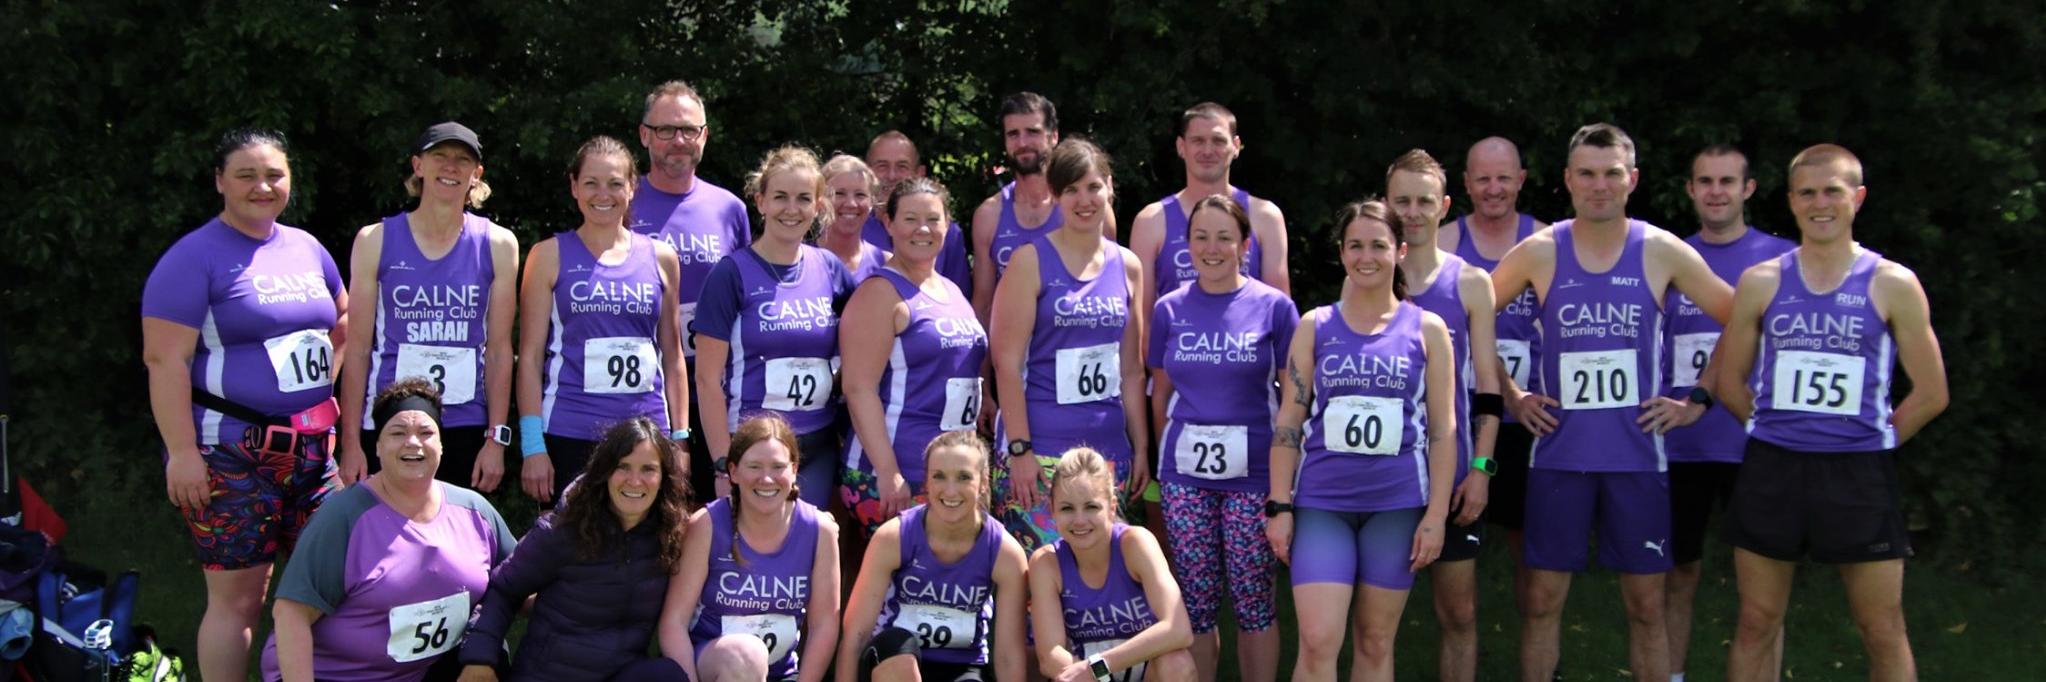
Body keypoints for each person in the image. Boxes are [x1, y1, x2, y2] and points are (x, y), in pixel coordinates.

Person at [1488, 123, 1735, 682]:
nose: (1600, 186)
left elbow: (1740, 317)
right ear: (1569, 180)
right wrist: (1512, 393)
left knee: (1647, 607)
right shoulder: (1542, 251)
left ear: (1632, 180)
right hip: (1557, 458)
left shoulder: (1659, 249)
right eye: (1588, 174)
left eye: (1612, 174)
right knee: (1543, 602)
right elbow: (1469, 317)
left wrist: (1696, 399)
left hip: (1637, 461)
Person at [1716, 144, 1947, 682]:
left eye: (1833, 192)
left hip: (1858, 473)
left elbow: (1932, 392)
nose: (1820, 204)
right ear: (1792, 202)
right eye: (1807, 193)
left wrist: (1875, 441)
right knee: (1756, 622)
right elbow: (1730, 382)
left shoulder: (1892, 283)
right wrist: (1772, 428)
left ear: (1857, 198)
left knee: (1881, 627)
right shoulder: (1762, 281)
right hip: (1773, 467)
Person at [141, 127, 346, 682]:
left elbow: (343, 322)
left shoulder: (307, 247)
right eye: (246, 175)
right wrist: (181, 452)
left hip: (312, 454)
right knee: (239, 602)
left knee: (331, 588)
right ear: (219, 182)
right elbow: (164, 362)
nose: (262, 186)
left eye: (274, 174)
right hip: (229, 456)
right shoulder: (193, 258)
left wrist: (323, 397)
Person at [1266, 199, 1457, 682]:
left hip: (1396, 506)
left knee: (1375, 642)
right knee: (1318, 640)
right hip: (1322, 504)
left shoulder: (1428, 330)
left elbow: (1443, 430)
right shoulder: (1315, 326)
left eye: (1378, 245)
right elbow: (1289, 421)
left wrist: (1436, 517)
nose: (1366, 256)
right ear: (1342, 252)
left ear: (1400, 250)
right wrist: (1279, 506)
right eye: (1355, 245)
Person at [264, 379, 517, 682]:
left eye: (426, 433)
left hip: (423, 672)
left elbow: (519, 580)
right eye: (398, 433)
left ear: (440, 445)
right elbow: (291, 614)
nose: (413, 442)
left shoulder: (474, 511)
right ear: (379, 447)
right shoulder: (343, 516)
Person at [1143, 194, 1295, 682]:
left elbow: (1294, 396)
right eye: (1200, 237)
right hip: (1185, 477)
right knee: (1195, 602)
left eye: (1224, 237)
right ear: (1187, 247)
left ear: (1245, 245)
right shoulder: (1169, 309)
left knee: (1254, 601)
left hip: (1253, 475)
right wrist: (1162, 457)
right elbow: (1159, 393)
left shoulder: (1275, 308)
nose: (1212, 248)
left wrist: (1283, 484)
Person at [1658, 145, 1795, 682]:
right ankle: (1672, 675)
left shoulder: (1781, 261)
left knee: (1765, 587)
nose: (1716, 191)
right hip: (1680, 442)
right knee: (1678, 574)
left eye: (1727, 181)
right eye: (1705, 181)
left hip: (1753, 442)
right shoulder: (1669, 259)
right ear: (1690, 189)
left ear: (1748, 189)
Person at [337, 121, 520, 491]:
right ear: (419, 165)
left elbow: (500, 350)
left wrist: (495, 440)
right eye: (440, 156)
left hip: (465, 423)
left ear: (476, 174)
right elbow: (357, 348)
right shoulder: (375, 239)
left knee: (458, 543)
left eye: (462, 160)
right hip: (389, 420)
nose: (451, 167)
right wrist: (351, 442)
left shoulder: (499, 244)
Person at [990, 139, 1149, 551]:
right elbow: (1006, 363)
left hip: (1109, 452)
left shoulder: (1128, 266)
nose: (1084, 200)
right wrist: (1020, 450)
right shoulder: (1029, 261)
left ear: (1110, 188)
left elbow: (1131, 369)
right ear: (1056, 196)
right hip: (1041, 453)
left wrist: (1141, 446)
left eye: (1093, 187)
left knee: (1097, 580)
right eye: (1072, 190)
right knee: (1038, 580)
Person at [517, 136, 689, 503]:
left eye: (614, 184)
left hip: (645, 435)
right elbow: (530, 358)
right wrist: (532, 445)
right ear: (574, 187)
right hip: (570, 430)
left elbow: (673, 358)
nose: (603, 194)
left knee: (647, 549)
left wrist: (680, 438)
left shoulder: (662, 258)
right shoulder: (547, 255)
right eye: (591, 183)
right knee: (573, 550)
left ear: (631, 188)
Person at [1386, 150, 1503, 682]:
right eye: (1401, 200)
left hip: (1451, 476)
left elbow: (1488, 388)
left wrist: (1482, 468)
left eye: (1424, 201)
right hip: (1383, 474)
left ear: (1445, 206)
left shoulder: (1470, 283)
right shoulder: (1368, 273)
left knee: (1458, 612)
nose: (1412, 211)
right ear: (1386, 204)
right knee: (1375, 621)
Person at [458, 416, 691, 682]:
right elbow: (503, 589)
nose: (635, 481)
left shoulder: (669, 534)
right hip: (548, 674)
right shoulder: (563, 528)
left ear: (663, 477)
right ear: (604, 473)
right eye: (623, 467)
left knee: (665, 675)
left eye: (648, 469)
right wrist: (480, 658)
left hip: (619, 672)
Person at [695, 146, 859, 507]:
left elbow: (867, 334)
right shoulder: (731, 273)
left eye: (803, 198)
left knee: (807, 550)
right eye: (780, 197)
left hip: (816, 445)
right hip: (751, 448)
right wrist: (725, 464)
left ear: (818, 205)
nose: (791, 208)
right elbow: (707, 380)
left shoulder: (829, 268)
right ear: (761, 202)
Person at [841, 177, 991, 537]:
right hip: (897, 471)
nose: (922, 229)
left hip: (951, 471)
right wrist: (888, 471)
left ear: (948, 224)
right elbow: (858, 388)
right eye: (910, 219)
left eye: (933, 219)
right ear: (888, 224)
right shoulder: (880, 293)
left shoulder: (951, 289)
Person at [1438, 136, 1547, 620]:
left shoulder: (1547, 241)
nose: (1494, 188)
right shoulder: (1441, 244)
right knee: (1455, 549)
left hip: (1531, 417)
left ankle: (1539, 656)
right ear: (1465, 183)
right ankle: (1457, 637)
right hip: (1458, 418)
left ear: (1521, 180)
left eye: (1504, 177)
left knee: (1532, 547)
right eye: (1482, 178)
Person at [631, 80, 754, 499]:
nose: (678, 141)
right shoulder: (621, 201)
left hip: (717, 385)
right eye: (666, 130)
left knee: (717, 499)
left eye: (689, 130)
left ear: (705, 136)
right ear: (645, 135)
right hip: (646, 384)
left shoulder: (730, 208)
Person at [837, 431, 1029, 682]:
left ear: (983, 482)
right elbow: (856, 636)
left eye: (963, 477)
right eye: (939, 476)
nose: (950, 490)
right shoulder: (893, 538)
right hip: (893, 662)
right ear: (926, 482)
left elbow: (1008, 656)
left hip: (963, 666)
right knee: (899, 649)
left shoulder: (1005, 552)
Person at [661, 413, 841, 682]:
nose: (766, 479)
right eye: (754, 466)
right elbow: (673, 623)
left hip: (783, 674)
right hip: (713, 667)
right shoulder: (707, 525)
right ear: (733, 472)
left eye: (777, 467)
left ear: (794, 469)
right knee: (747, 653)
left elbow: (824, 625)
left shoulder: (820, 530)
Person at [1028, 447, 1196, 682]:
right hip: (1086, 673)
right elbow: (1050, 657)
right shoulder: (1046, 562)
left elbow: (1178, 630)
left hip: (1140, 665)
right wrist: (1096, 675)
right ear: (1052, 510)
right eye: (1067, 508)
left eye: (1091, 507)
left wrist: (1099, 666)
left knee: (1177, 664)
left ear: (1112, 507)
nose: (1079, 520)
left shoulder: (1136, 543)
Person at [1129, 101, 1292, 311]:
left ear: (1235, 146)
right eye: (1198, 141)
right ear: (1181, 146)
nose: (1208, 151)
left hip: (1249, 343)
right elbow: (1142, 319)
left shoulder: (1265, 217)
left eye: (1218, 141)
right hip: (1180, 343)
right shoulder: (1150, 221)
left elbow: (1280, 312)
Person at [970, 92, 1063, 322]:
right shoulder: (989, 214)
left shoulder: (1082, 207)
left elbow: (1109, 286)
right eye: (1013, 134)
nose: (1022, 143)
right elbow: (983, 304)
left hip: (1075, 345)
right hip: (1013, 353)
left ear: (1053, 137)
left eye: (1033, 132)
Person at [864, 131, 973, 295]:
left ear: (919, 173)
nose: (892, 175)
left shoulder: (945, 233)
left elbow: (958, 297)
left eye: (902, 167)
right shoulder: (853, 228)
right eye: (882, 166)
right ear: (867, 173)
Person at [819, 154, 890, 282]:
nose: (851, 204)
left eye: (860, 195)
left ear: (872, 202)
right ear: (821, 199)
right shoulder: (799, 259)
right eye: (839, 194)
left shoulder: (886, 264)